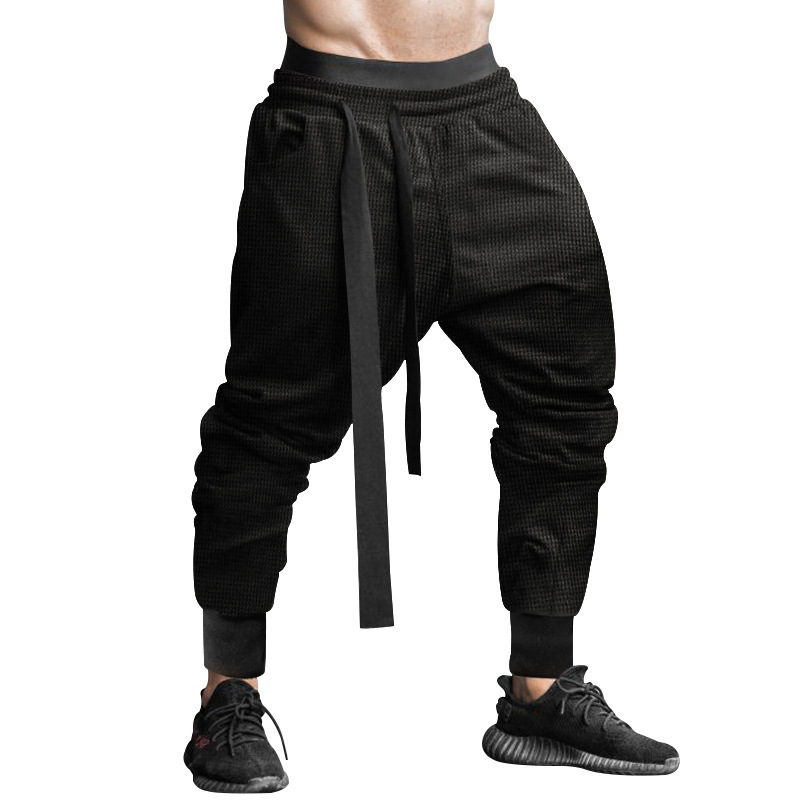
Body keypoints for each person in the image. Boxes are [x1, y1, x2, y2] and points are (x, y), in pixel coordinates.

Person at [184, 0, 679, 790]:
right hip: (334, 123)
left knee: (564, 404)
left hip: (487, 116)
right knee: (270, 420)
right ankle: (227, 696)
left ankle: (540, 690)